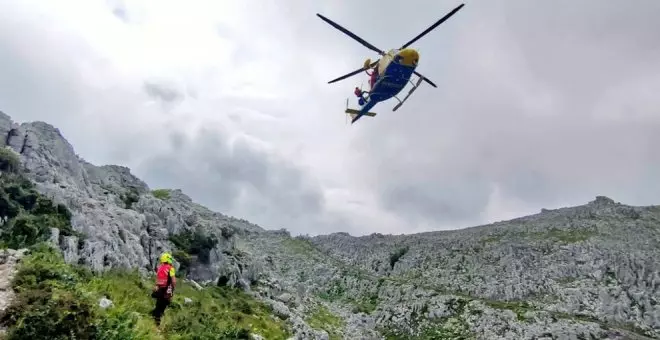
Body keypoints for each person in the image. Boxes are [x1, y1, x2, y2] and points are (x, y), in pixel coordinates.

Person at [151, 252, 176, 326]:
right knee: (162, 307)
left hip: (159, 289)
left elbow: (158, 279)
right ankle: (156, 323)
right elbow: (173, 281)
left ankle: (154, 318)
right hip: (166, 290)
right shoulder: (170, 268)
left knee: (159, 305)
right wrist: (172, 290)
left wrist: (156, 286)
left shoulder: (159, 268)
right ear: (168, 259)